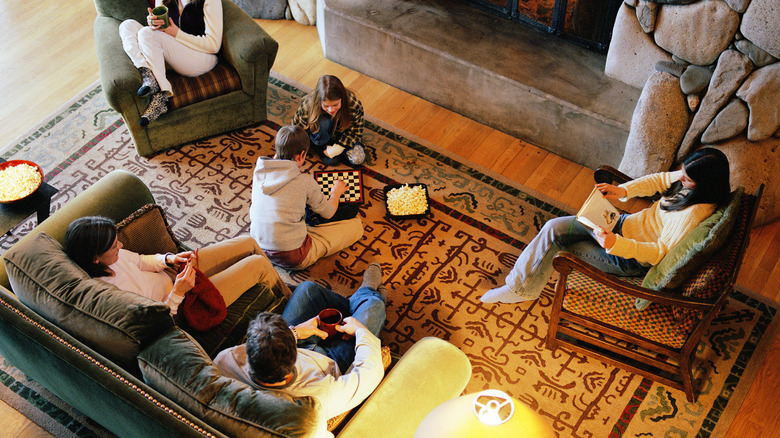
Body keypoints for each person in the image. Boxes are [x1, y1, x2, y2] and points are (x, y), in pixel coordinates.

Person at [481, 147, 731, 307]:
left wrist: (616, 244)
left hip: (628, 258)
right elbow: (660, 180)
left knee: (563, 247)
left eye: (686, 178)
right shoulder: (691, 182)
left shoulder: (693, 213)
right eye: (682, 173)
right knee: (553, 227)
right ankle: (520, 288)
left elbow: (658, 253)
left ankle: (519, 289)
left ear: (705, 185)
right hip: (623, 224)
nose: (680, 178)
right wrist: (624, 190)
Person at [214, 262, 387, 429]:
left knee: (307, 289)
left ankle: (363, 299)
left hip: (296, 347)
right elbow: (369, 373)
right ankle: (368, 293)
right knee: (374, 307)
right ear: (292, 362)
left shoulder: (225, 360)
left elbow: (259, 343)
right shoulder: (316, 399)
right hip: (333, 362)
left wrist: (296, 332)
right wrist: (359, 331)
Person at [63, 216, 291, 317]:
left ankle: (284, 292)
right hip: (183, 308)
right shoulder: (109, 294)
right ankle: (290, 305)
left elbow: (141, 261)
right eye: (114, 247)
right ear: (95, 259)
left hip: (175, 275)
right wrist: (178, 292)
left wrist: (169, 259)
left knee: (247, 242)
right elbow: (157, 322)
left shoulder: (115, 255)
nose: (120, 246)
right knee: (258, 264)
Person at [249, 125, 364, 270]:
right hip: (293, 256)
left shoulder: (259, 170)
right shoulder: (305, 181)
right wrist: (336, 192)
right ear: (301, 155)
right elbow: (329, 212)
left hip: (258, 247)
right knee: (356, 226)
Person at [118, 0, 223, 126]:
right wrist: (153, 24)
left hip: (202, 58)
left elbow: (214, 45)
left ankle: (162, 95)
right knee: (127, 26)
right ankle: (147, 73)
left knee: (145, 33)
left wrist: (177, 33)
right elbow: (159, 32)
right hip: (173, 55)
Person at [292, 75, 366, 166]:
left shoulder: (353, 104)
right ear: (319, 101)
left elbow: (356, 130)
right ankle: (321, 146)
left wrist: (338, 147)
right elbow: (296, 129)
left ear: (342, 98)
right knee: (332, 161)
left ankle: (333, 150)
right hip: (320, 135)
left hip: (343, 136)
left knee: (358, 159)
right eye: (326, 106)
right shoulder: (308, 106)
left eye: (335, 105)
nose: (331, 110)